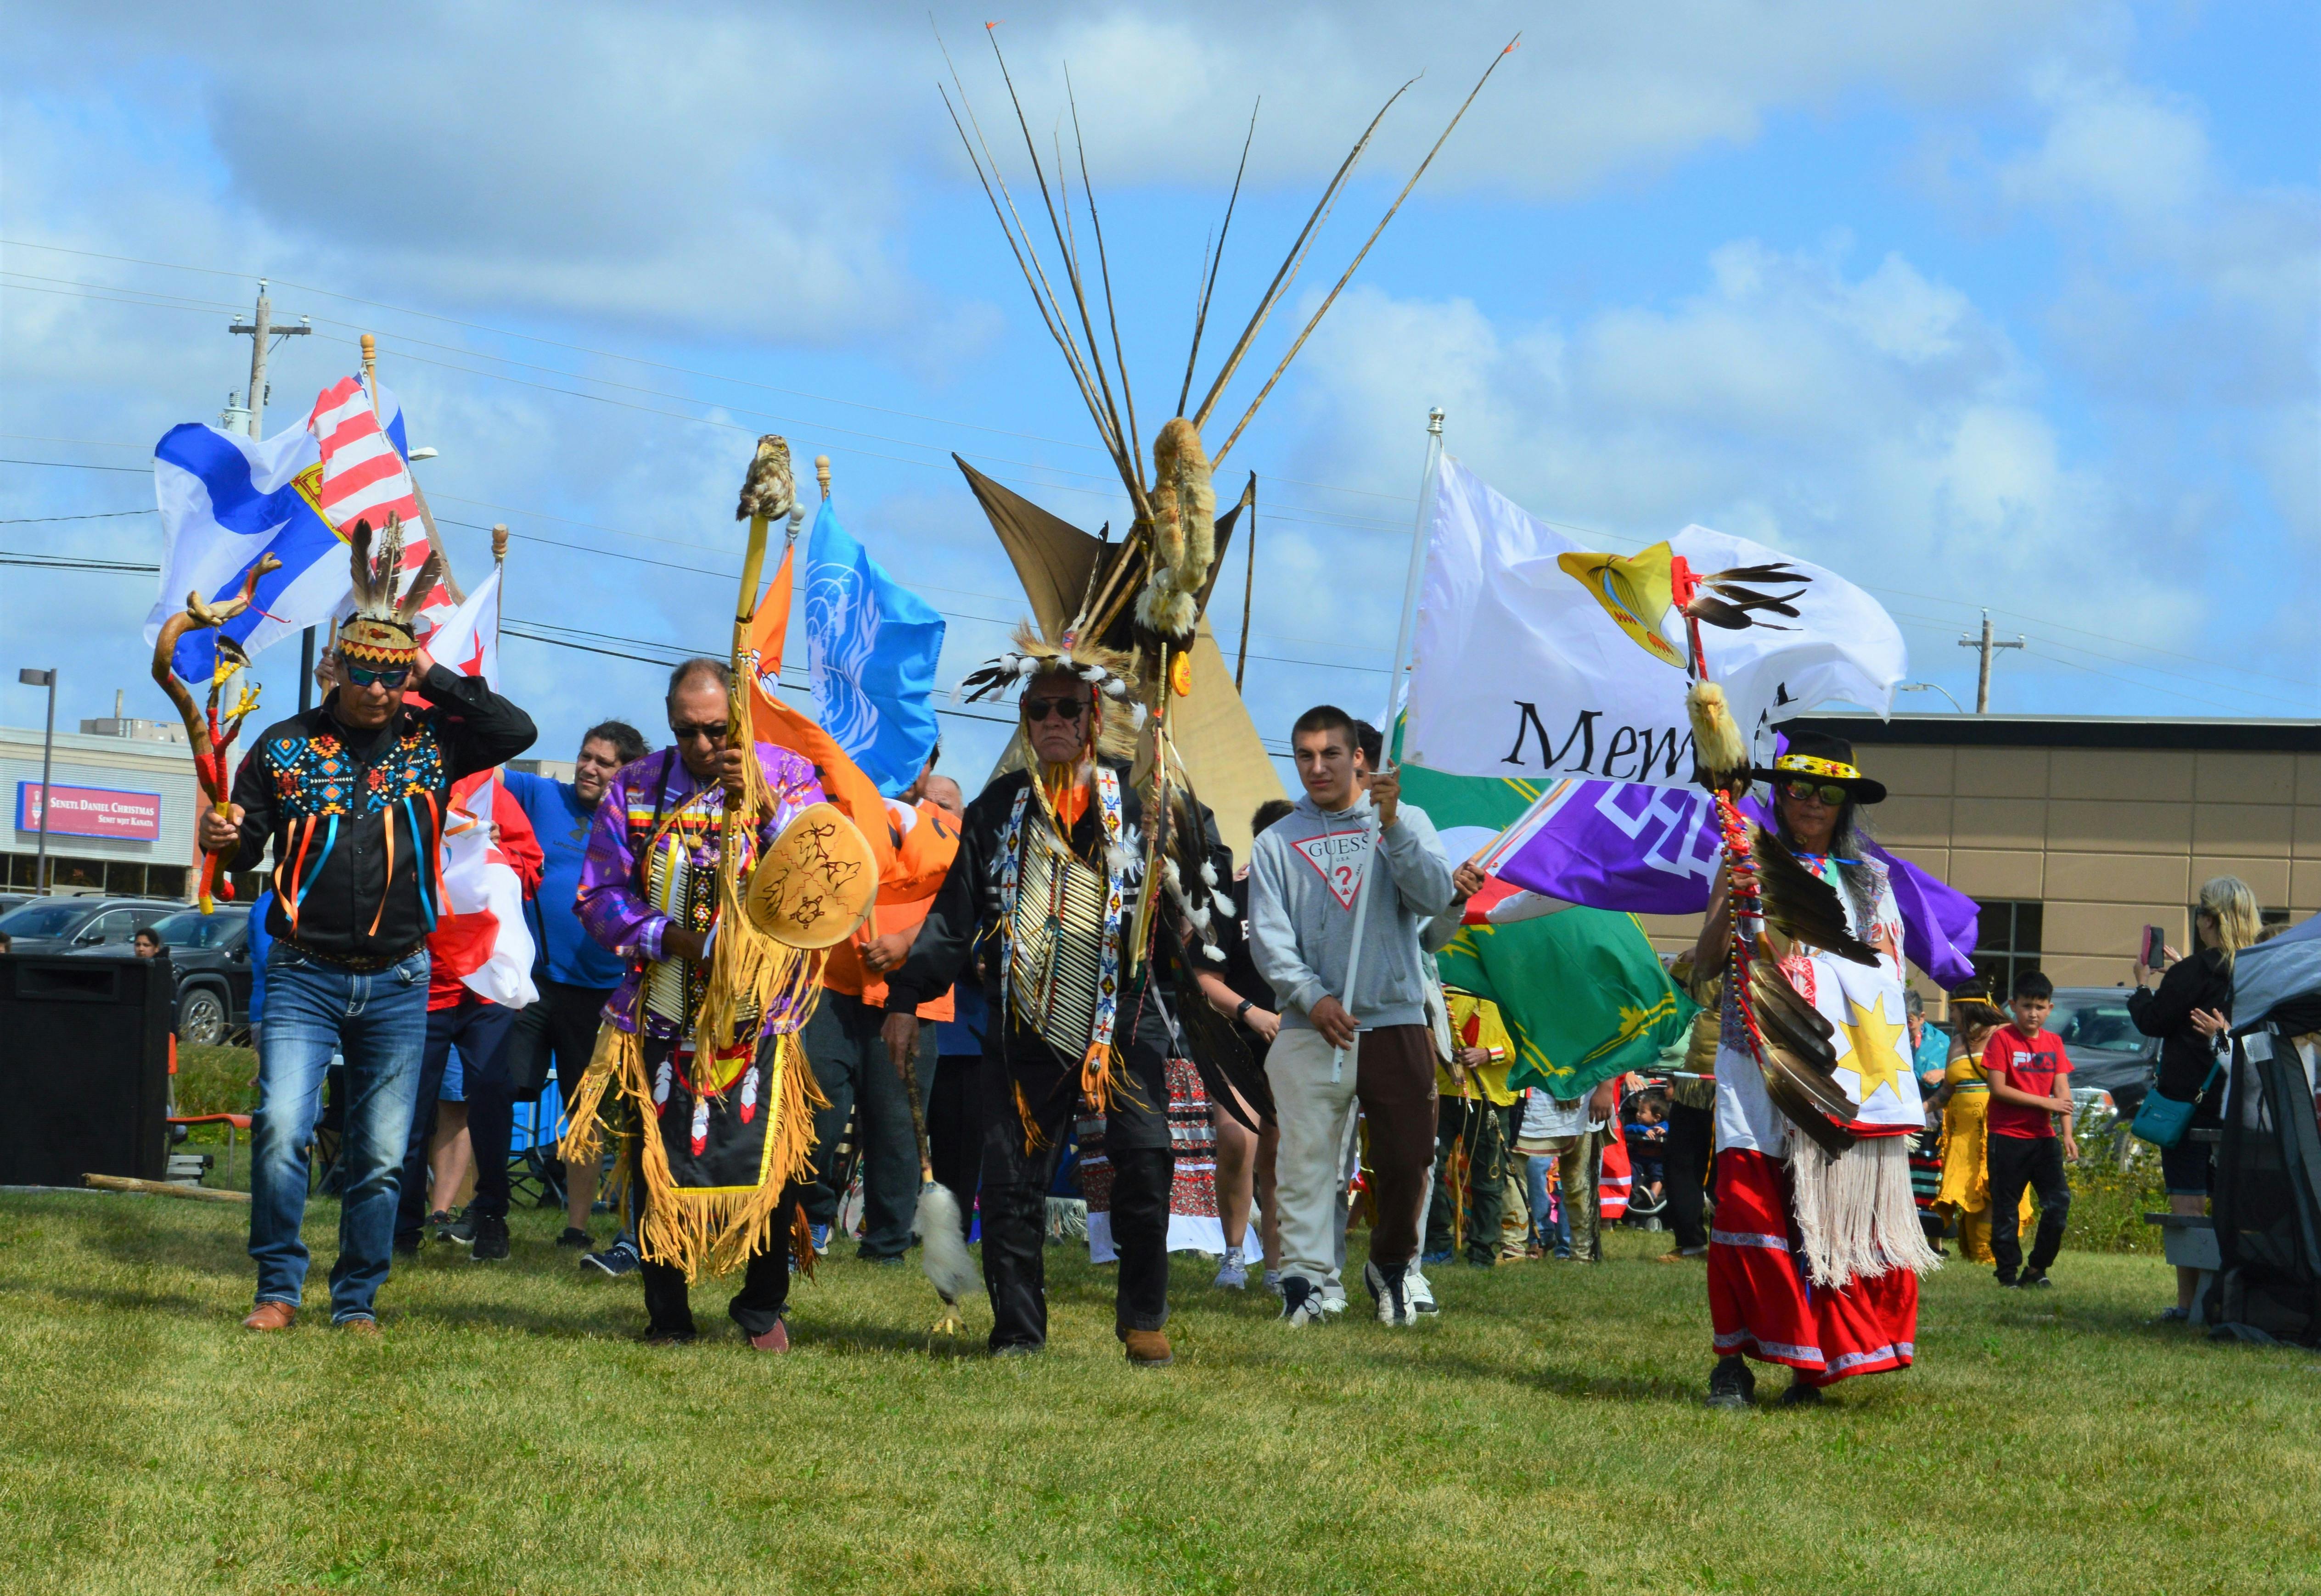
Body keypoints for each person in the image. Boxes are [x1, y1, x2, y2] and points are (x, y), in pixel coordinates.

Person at [200, 530, 535, 1332]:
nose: (379, 691)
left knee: (384, 1155)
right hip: (301, 973)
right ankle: (278, 1289)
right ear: (335, 668)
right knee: (284, 1124)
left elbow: (514, 731)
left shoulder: (433, 741)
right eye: (366, 673)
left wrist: (432, 672)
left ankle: (356, 1297)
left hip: (400, 978)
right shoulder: (282, 748)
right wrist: (226, 837)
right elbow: (246, 847)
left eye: (394, 676)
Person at [881, 629, 1221, 1365]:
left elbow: (1203, 884)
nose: (1054, 722)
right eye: (1039, 711)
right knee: (1010, 1184)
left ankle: (1142, 1320)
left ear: (1095, 715)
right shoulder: (999, 808)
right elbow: (953, 917)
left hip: (1122, 1022)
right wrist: (907, 997)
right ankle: (1018, 1333)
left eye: (1069, 708)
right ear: (1025, 722)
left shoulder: (1138, 796)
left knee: (1145, 1159)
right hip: (1024, 1024)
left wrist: (1185, 840)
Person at [569, 659, 826, 1349]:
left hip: (762, 1011)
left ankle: (761, 1308)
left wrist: (767, 806)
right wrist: (673, 939)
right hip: (660, 1007)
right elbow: (598, 897)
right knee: (657, 1162)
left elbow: (819, 876)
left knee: (769, 1162)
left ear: (739, 720)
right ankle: (669, 1315)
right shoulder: (637, 786)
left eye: (717, 730)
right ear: (669, 721)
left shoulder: (789, 774)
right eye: (687, 732)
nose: (704, 746)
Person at [1694, 730, 1934, 1407]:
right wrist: (1736, 901)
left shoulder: (1868, 885)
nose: (1809, 803)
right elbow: (1705, 968)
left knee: (1826, 1216)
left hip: (1840, 1067)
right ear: (1777, 793)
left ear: (1845, 804)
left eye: (1827, 792)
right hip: (1756, 1060)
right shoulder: (1741, 860)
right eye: (1797, 787)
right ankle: (1731, 1365)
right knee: (1748, 1203)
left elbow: (1885, 976)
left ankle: (1812, 1363)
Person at [1248, 704, 1456, 1328]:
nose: (1316, 767)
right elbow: (1268, 937)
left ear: (1358, 758)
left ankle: (1390, 1266)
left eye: (1329, 754)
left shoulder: (1403, 820)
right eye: (1304, 755)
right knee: (1305, 1163)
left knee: (1407, 1157)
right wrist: (1311, 996)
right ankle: (1306, 1281)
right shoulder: (1274, 842)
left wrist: (1390, 828)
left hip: (1393, 1015)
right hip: (1310, 1024)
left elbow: (1435, 900)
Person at [802, 748, 957, 1266]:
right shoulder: (835, 812)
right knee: (816, 1116)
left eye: (918, 756)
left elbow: (966, 903)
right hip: (829, 987)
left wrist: (908, 941)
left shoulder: (947, 828)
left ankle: (888, 1243)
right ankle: (811, 1221)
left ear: (931, 763)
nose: (909, 767)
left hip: (914, 1000)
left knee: (897, 1128)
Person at [502, 721, 650, 1257]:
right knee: (495, 1092)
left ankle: (577, 1226)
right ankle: (478, 1210)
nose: (589, 768)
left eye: (604, 763)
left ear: (627, 773)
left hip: (600, 992)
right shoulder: (540, 793)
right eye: (586, 756)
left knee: (583, 1111)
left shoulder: (638, 825)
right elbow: (478, 772)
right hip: (532, 983)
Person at [394, 772, 543, 1261]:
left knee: (493, 1094)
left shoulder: (490, 791)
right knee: (412, 1109)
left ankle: (491, 1213)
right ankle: (402, 1227)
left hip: (485, 979)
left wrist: (497, 853)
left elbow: (531, 866)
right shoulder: (407, 780)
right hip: (423, 978)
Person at [2129, 875, 2254, 1319]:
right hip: (2239, 1101)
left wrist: (2142, 984)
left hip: (2185, 1102)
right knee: (2234, 1203)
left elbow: (2155, 1021)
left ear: (2209, 919)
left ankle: (2188, 1304)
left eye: (2200, 913)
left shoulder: (2192, 971)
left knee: (2186, 1200)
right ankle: (2229, 1299)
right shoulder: (2257, 968)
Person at [1190, 797, 1293, 1290]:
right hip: (1235, 1038)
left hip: (1295, 1043)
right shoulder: (1231, 896)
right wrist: (1250, 1013)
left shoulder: (1318, 899)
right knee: (1236, 1141)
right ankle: (1233, 1255)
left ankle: (1276, 1268)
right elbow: (1204, 976)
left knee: (1278, 1158)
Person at [1982, 971, 2078, 1289]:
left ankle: (2037, 1268)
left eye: (2039, 1007)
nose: (2032, 1013)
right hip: (2007, 1136)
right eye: (2026, 1006)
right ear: (2012, 1006)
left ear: (2050, 1008)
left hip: (2043, 1140)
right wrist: (2044, 1103)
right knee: (2006, 1209)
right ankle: (2007, 1274)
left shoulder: (2054, 1043)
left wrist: (2067, 1134)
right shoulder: (2002, 1039)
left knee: (2058, 1203)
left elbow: (2062, 1092)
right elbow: (1997, 1088)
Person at [1423, 988, 1519, 1268]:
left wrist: (1490, 1053)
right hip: (1444, 1089)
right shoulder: (1443, 988)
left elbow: (1525, 1043)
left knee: (1488, 1177)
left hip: (1490, 1095)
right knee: (1430, 1168)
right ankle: (1438, 1243)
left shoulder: (1507, 990)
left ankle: (1482, 1250)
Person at [1930, 980, 2016, 1265]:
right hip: (1964, 1133)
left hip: (1998, 1126)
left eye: (1953, 1011)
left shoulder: (2004, 1035)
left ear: (1966, 1008)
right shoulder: (1957, 1042)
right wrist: (1921, 1109)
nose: (1951, 1018)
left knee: (1992, 1189)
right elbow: (1946, 1091)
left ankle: (1989, 1255)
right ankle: (1974, 1253)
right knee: (1969, 1191)